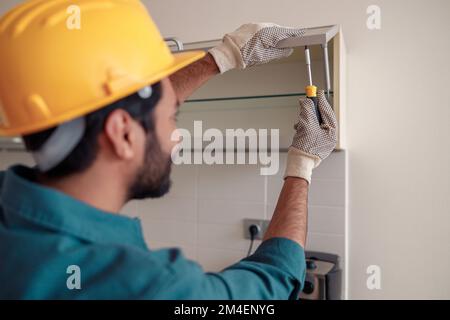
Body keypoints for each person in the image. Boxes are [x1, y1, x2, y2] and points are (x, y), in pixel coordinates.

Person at [0, 0, 337, 299]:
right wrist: (302, 165)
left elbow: (126, 110)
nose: (176, 138)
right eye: (172, 118)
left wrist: (224, 56)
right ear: (123, 135)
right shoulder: (147, 286)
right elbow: (272, 282)